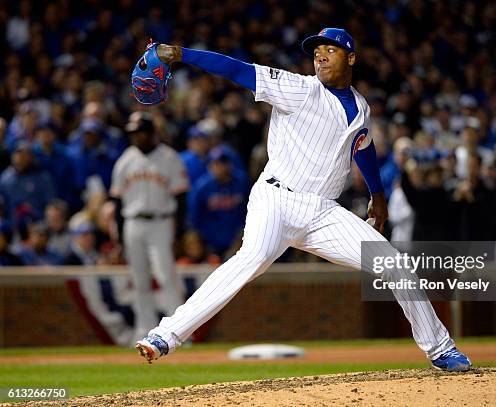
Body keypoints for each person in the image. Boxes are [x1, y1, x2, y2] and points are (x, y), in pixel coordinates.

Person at [135, 28, 471, 371]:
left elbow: (363, 148)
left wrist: (378, 195)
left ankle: (440, 349)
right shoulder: (297, 88)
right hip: (276, 200)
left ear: (351, 58)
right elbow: (237, 69)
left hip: (323, 212)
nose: (321, 55)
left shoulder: (360, 107)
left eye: (331, 49)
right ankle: (165, 335)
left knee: (394, 264)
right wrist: (178, 54)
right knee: (250, 259)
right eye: (316, 51)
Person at [110, 112, 190, 342]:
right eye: (134, 133)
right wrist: (119, 235)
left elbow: (182, 198)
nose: (137, 137)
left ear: (152, 133)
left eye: (141, 132)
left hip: (161, 222)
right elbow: (116, 201)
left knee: (166, 276)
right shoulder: (125, 160)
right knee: (139, 280)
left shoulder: (169, 158)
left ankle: (178, 332)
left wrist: (180, 232)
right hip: (133, 223)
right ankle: (143, 330)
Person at [188, 147, 250, 258]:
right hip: (209, 243)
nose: (220, 167)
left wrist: (241, 238)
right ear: (210, 165)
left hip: (238, 240)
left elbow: (250, 214)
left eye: (223, 163)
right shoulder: (201, 187)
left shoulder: (242, 183)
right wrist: (204, 244)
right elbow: (194, 218)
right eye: (216, 163)